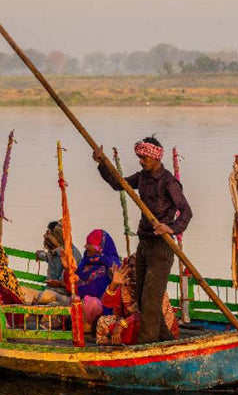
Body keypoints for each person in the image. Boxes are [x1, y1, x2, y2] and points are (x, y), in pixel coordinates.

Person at [93, 136, 192, 343]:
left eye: (144, 157)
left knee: (150, 300)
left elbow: (186, 212)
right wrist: (102, 164)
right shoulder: (142, 177)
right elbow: (118, 184)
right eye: (139, 157)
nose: (141, 160)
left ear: (155, 157)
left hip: (161, 247)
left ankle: (147, 344)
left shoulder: (169, 182)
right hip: (144, 244)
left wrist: (171, 228)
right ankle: (165, 340)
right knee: (141, 298)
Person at [96, 255, 179, 345]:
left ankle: (122, 342)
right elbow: (107, 304)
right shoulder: (126, 284)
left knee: (140, 325)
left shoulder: (153, 285)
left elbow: (148, 313)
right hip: (131, 321)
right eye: (131, 266)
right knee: (103, 321)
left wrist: (123, 323)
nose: (135, 270)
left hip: (157, 325)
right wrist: (113, 284)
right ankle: (114, 344)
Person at [75, 229, 121, 329]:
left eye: (89, 244)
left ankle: (89, 330)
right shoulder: (87, 260)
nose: (85, 246)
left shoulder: (110, 264)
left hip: (103, 305)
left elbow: (94, 289)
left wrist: (73, 286)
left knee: (91, 303)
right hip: (80, 297)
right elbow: (76, 277)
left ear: (100, 248)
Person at [34, 221, 82, 304]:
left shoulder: (71, 254)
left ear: (55, 236)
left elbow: (65, 283)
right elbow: (47, 256)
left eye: (48, 233)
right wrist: (39, 254)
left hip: (63, 294)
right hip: (50, 290)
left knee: (42, 297)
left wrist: (56, 283)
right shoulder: (54, 251)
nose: (45, 236)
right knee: (24, 293)